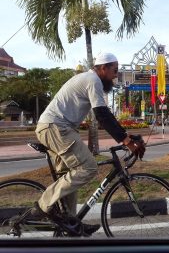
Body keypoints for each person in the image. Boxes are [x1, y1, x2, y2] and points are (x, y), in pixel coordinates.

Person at [28, 52, 146, 235]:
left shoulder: (90, 79)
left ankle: (69, 222)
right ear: (103, 67)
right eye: (114, 70)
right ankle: (43, 206)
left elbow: (106, 114)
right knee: (88, 167)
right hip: (56, 127)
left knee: (67, 176)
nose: (116, 74)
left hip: (54, 127)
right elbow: (101, 115)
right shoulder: (93, 80)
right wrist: (126, 141)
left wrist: (126, 135)